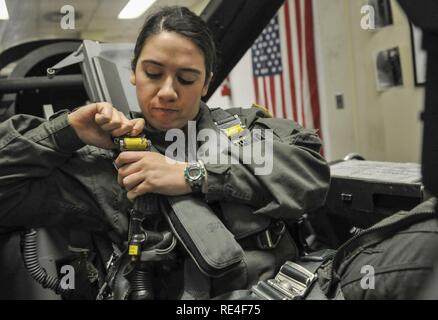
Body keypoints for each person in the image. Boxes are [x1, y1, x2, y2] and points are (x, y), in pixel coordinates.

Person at [0, 6, 330, 299]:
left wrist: (193, 175)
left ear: (205, 83)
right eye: (153, 74)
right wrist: (66, 131)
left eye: (186, 78)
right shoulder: (111, 161)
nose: (168, 92)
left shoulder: (246, 130)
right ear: (132, 73)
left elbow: (310, 176)